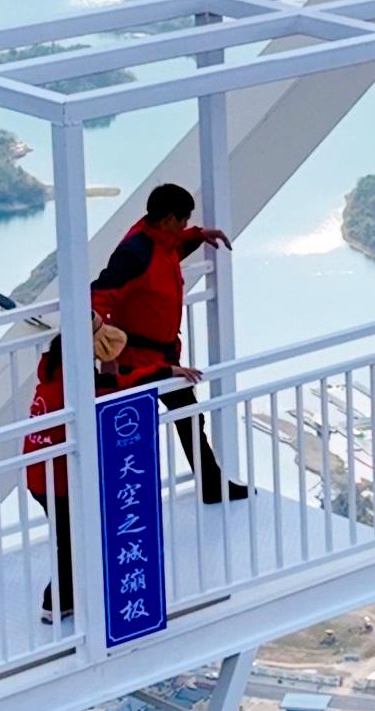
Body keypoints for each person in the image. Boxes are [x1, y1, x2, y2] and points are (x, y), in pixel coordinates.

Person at [26, 324, 200, 621]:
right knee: (73, 540)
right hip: (61, 480)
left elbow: (111, 383)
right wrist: (168, 371)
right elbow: (123, 385)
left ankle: (63, 600)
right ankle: (55, 603)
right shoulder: (81, 388)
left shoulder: (52, 376)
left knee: (69, 537)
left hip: (40, 476)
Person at [89, 182, 249, 503]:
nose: (186, 225)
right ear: (168, 219)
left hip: (161, 357)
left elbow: (172, 250)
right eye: (184, 220)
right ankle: (120, 500)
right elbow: (99, 296)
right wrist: (106, 347)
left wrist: (199, 236)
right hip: (137, 360)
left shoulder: (159, 242)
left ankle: (211, 487)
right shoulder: (134, 254)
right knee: (132, 431)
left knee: (188, 417)